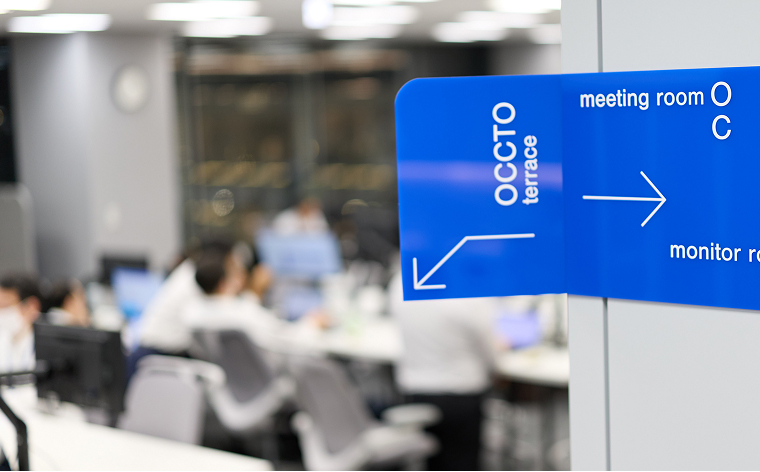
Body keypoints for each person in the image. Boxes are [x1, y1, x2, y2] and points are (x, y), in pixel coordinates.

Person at [388, 271, 502, 471]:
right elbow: (491, 354)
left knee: (430, 462)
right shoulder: (467, 285)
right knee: (460, 463)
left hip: (414, 393)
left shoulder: (402, 280)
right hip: (461, 396)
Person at [128, 238, 249, 380]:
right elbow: (224, 313)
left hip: (155, 356)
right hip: (160, 359)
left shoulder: (189, 270)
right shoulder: (200, 275)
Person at [0, 274, 42, 373]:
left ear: (32, 306)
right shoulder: (5, 339)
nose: (2, 311)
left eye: (6, 305)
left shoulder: (44, 347)